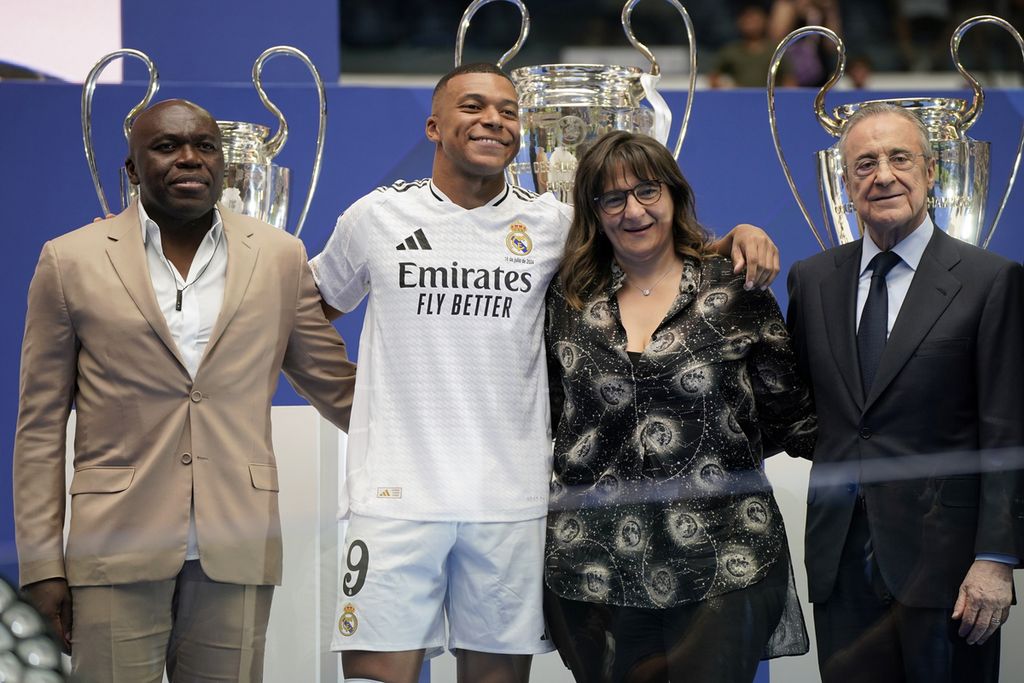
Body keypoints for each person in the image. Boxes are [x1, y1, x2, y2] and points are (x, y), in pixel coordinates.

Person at [310, 63, 782, 683]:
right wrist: (349, 400)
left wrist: (738, 238)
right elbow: (305, 309)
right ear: (433, 125)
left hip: (513, 504)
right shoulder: (375, 217)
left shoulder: (554, 224)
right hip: (396, 502)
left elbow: (651, 247)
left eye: (508, 111)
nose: (494, 121)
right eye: (473, 107)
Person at [13, 99, 357, 682]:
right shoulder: (68, 261)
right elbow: (40, 425)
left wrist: (433, 419)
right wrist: (43, 565)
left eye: (204, 145)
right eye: (166, 147)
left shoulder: (278, 255)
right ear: (132, 169)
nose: (189, 159)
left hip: (238, 541)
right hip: (114, 546)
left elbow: (336, 384)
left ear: (224, 162)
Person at [541, 130, 816, 683]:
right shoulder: (566, 299)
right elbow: (545, 410)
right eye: (612, 198)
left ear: (674, 196)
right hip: (594, 568)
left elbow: (787, 414)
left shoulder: (735, 290)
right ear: (593, 212)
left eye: (648, 191)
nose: (633, 210)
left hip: (722, 561)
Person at [786, 102, 1024, 682]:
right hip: (840, 564)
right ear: (845, 183)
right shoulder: (811, 281)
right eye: (864, 164)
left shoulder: (990, 281)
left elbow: (1008, 430)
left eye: (899, 158)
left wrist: (995, 559)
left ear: (931, 170)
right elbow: (794, 410)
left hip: (948, 572)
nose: (883, 175)